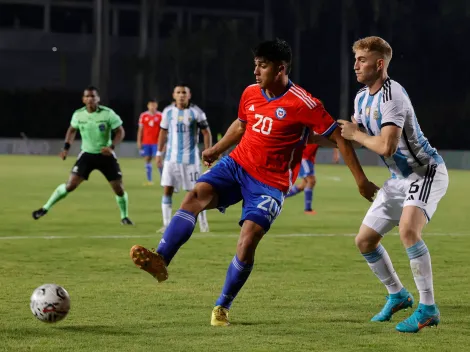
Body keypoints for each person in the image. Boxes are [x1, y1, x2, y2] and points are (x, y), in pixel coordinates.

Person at [130, 39, 378, 326]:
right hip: (237, 165)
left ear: (281, 68)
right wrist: (217, 148)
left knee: (247, 241)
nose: (256, 72)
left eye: (263, 66)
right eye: (255, 65)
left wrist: (361, 181)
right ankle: (161, 258)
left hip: (270, 184)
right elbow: (242, 124)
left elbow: (336, 136)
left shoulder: (304, 102)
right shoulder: (250, 92)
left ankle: (222, 306)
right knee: (194, 196)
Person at [338, 36, 448, 333]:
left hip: (424, 173)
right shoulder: (362, 98)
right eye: (356, 59)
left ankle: (428, 308)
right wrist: (343, 135)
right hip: (397, 180)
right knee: (364, 241)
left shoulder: (392, 95)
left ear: (380, 63)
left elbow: (386, 146)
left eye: (362, 60)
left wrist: (354, 135)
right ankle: (398, 295)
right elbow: (363, 139)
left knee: (408, 231)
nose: (356, 65)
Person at [32, 86, 133, 225]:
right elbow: (72, 130)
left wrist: (111, 147)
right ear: (83, 99)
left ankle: (124, 217)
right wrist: (66, 148)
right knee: (70, 185)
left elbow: (120, 131)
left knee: (119, 189)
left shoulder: (108, 114)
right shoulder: (78, 115)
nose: (90, 99)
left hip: (105, 155)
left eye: (93, 96)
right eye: (87, 96)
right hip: (87, 154)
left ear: (98, 98)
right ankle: (45, 208)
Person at [156, 84, 212, 233]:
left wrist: (208, 152)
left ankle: (203, 224)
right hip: (171, 159)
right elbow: (163, 132)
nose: (181, 95)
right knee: (167, 190)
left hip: (191, 160)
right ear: (174, 95)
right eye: (178, 92)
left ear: (189, 95)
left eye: (184, 93)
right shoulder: (168, 112)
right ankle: (166, 224)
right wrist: (158, 153)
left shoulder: (196, 112)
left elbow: (206, 132)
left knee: (196, 193)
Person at [285, 145, 340, 214]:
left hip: (309, 158)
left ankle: (281, 197)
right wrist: (336, 153)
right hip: (304, 157)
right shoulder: (310, 134)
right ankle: (308, 209)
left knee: (303, 185)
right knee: (311, 181)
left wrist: (336, 153)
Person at [137, 98, 163, 185]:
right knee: (147, 160)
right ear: (148, 106)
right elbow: (140, 130)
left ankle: (164, 180)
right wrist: (139, 141)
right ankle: (149, 180)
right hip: (146, 142)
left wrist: (165, 142)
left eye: (154, 105)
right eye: (150, 105)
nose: (152, 107)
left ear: (156, 105)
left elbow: (164, 130)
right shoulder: (143, 116)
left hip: (157, 142)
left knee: (158, 161)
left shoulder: (160, 116)